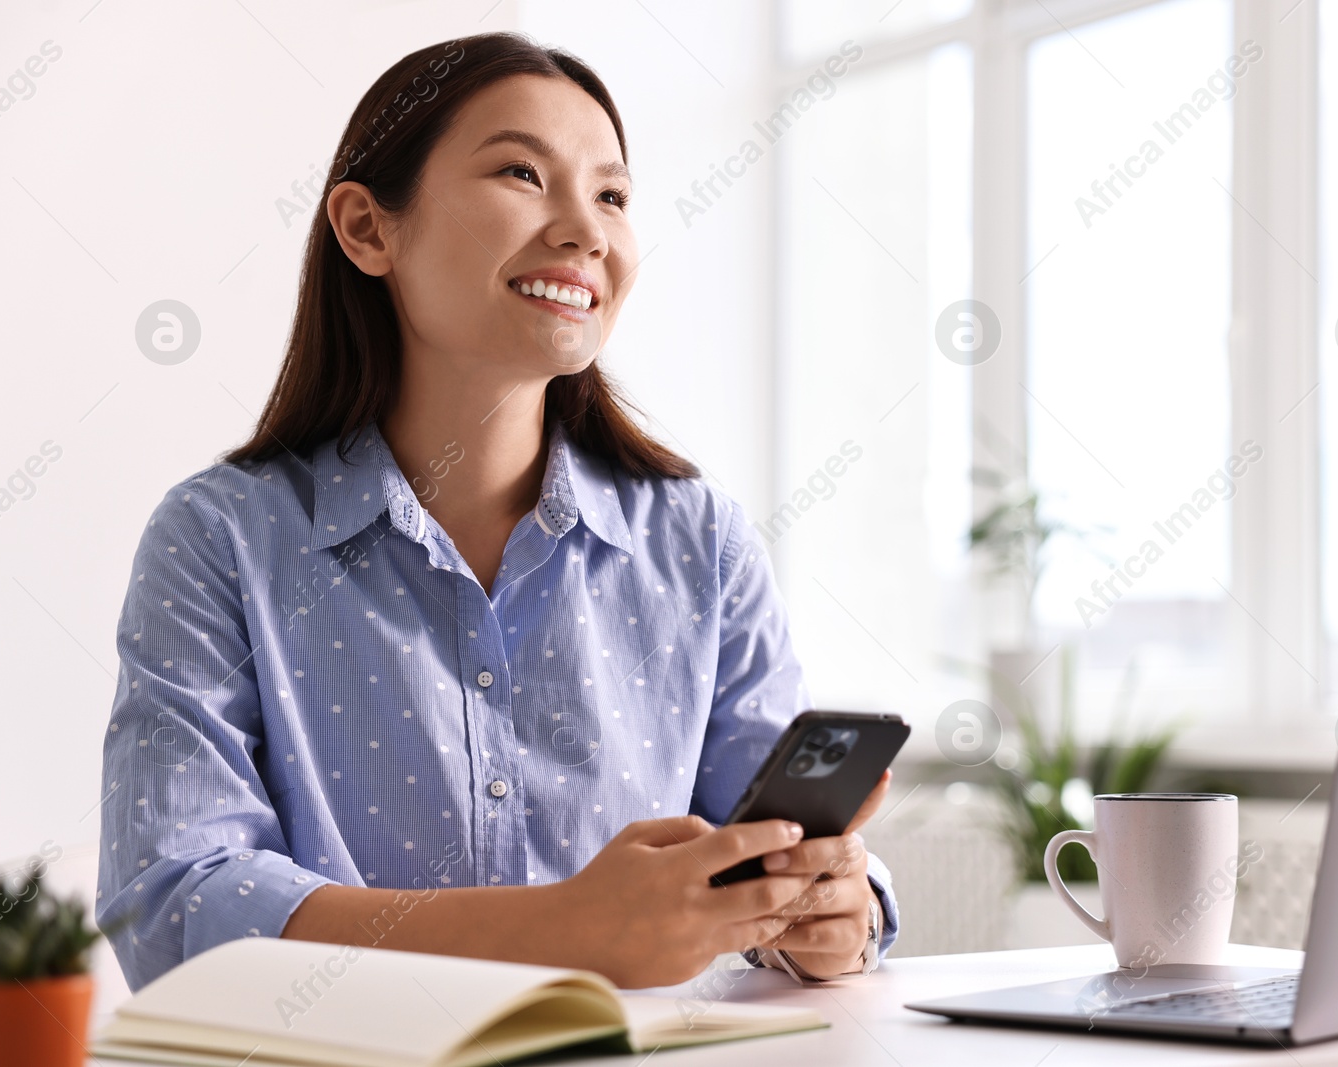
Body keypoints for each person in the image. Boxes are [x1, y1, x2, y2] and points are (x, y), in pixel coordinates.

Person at [96, 32, 899, 993]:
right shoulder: (220, 540)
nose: (586, 230)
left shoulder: (700, 541)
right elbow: (176, 903)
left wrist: (834, 913)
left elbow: (764, 854)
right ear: (366, 229)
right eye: (524, 172)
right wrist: (562, 928)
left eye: (611, 195)